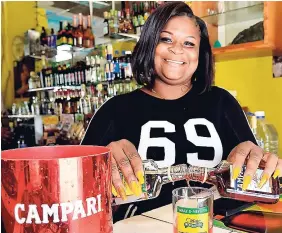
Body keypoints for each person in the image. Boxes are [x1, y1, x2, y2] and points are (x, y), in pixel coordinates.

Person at [81, 2, 281, 222]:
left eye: (189, 43)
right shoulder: (114, 110)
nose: (177, 49)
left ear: (199, 53)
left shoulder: (222, 102)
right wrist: (99, 165)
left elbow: (257, 183)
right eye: (166, 39)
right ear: (149, 44)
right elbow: (75, 193)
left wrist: (263, 165)